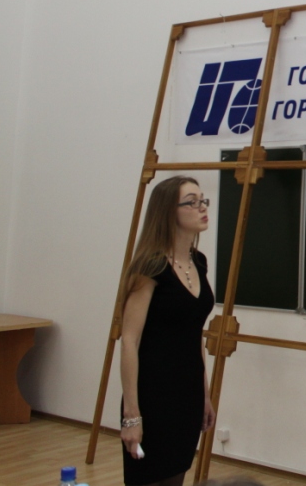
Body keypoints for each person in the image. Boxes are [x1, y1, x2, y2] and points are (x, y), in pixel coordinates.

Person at [120, 176, 216, 486]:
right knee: (149, 477)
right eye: (192, 202)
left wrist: (204, 394)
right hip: (153, 394)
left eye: (203, 200)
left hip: (187, 393)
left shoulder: (199, 262)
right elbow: (130, 341)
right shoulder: (150, 267)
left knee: (176, 475)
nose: (202, 207)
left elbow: (194, 333)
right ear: (168, 211)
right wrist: (132, 416)